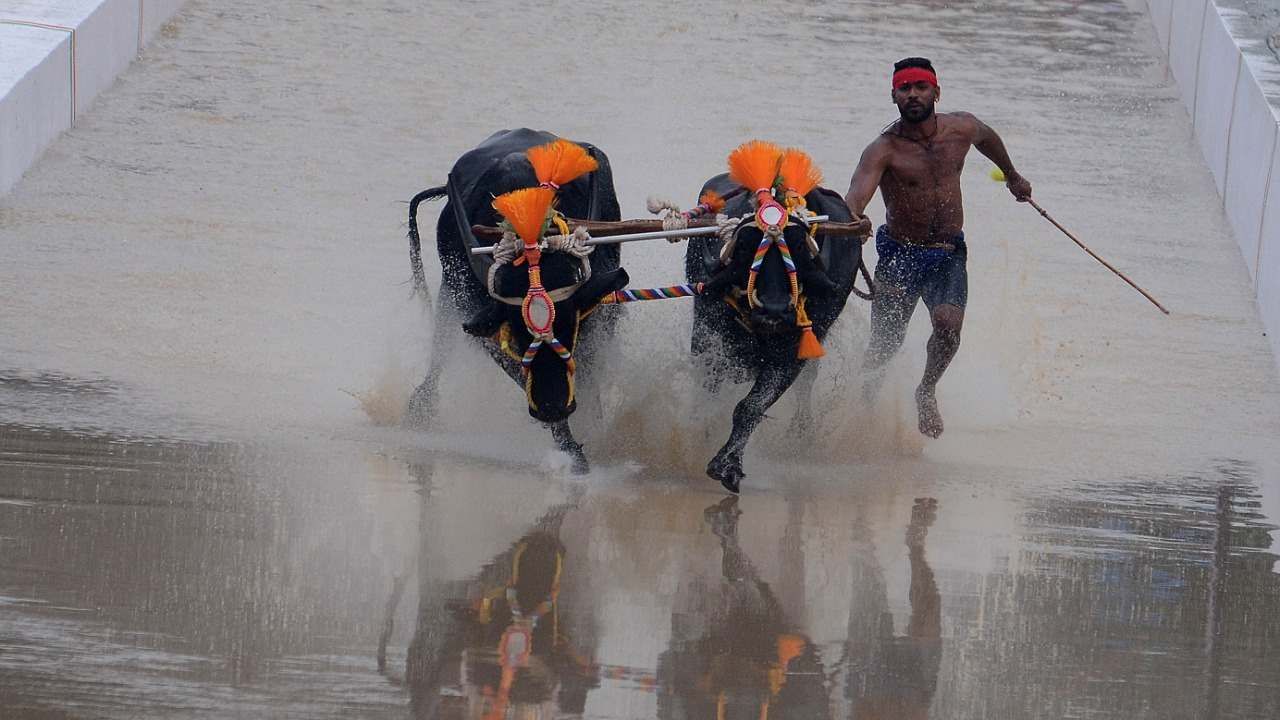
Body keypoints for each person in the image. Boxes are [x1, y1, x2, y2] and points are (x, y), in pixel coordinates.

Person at [845, 57, 1032, 437]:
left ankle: (926, 389)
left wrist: (1012, 175)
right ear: (893, 96)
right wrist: (854, 221)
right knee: (885, 345)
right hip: (900, 255)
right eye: (904, 89)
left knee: (948, 327)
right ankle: (860, 411)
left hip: (948, 252)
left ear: (936, 92)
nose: (913, 95)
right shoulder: (883, 150)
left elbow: (987, 137)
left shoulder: (960, 128)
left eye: (920, 87)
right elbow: (856, 196)